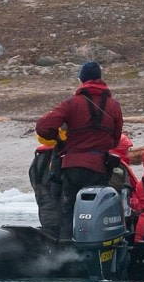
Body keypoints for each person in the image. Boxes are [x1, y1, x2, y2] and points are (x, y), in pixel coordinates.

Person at [35, 60, 123, 239]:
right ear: (100, 78)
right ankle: (96, 248)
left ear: (82, 80)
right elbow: (115, 140)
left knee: (69, 211)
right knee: (96, 211)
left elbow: (42, 126)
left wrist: (59, 138)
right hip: (99, 168)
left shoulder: (71, 103)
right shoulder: (114, 106)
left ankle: (68, 251)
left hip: (73, 168)